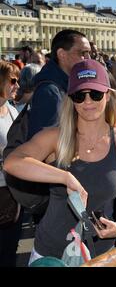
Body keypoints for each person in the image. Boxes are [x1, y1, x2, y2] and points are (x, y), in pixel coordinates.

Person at [4, 59, 116, 264]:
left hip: (102, 256)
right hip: (50, 254)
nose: (88, 102)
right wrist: (65, 177)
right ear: (71, 100)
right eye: (80, 96)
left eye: (96, 94)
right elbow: (12, 162)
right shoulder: (55, 137)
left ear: (108, 96)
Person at [0, 61, 21, 267]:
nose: (17, 85)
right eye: (13, 81)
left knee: (10, 247)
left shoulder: (12, 109)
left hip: (13, 192)